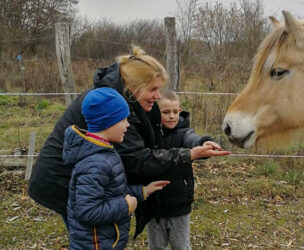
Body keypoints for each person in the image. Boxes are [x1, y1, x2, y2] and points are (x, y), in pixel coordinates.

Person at [28, 45, 231, 238]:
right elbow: (136, 159)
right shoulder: (113, 106)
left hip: (87, 181)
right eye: (153, 89)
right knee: (92, 238)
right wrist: (189, 154)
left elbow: (160, 138)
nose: (158, 96)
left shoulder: (123, 98)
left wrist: (195, 143)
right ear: (134, 86)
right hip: (64, 182)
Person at [63, 87, 169, 249]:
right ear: (108, 122)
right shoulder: (95, 164)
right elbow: (88, 212)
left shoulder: (105, 152)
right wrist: (126, 206)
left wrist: (143, 191)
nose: (128, 125)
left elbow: (112, 192)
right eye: (124, 120)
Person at [145, 89, 222, 249]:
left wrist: (204, 142)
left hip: (179, 205)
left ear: (180, 111)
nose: (172, 116)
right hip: (153, 206)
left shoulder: (184, 133)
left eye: (175, 112)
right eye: (166, 112)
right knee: (156, 246)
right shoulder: (148, 135)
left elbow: (192, 140)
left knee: (181, 246)